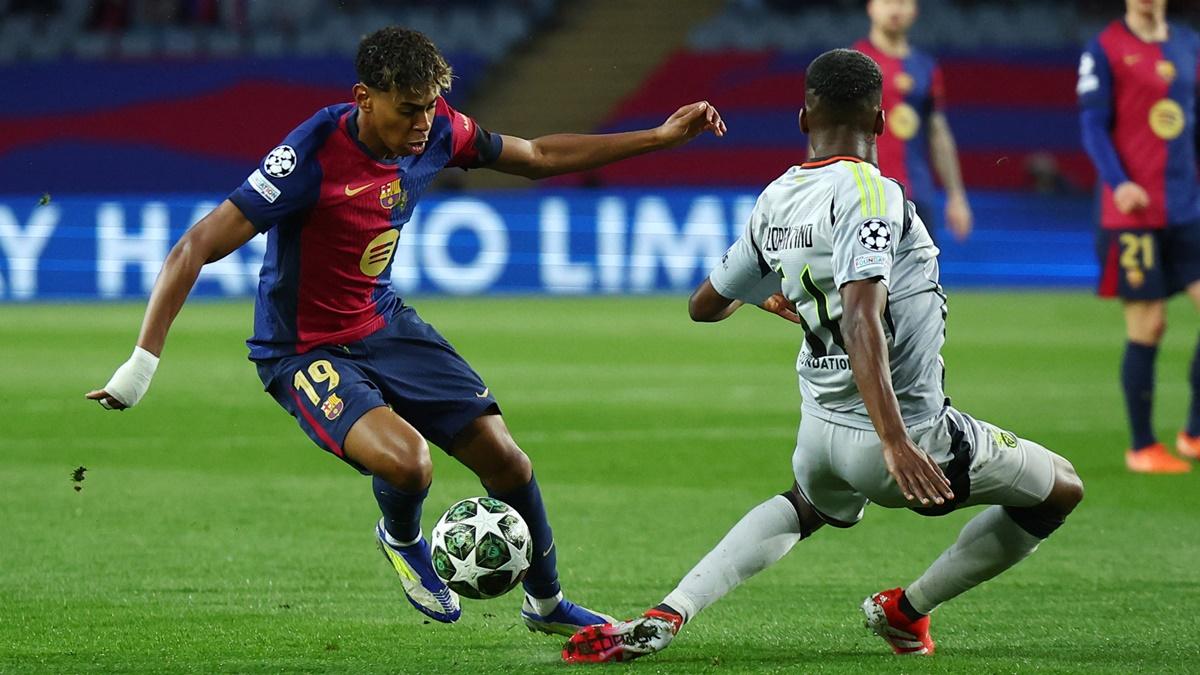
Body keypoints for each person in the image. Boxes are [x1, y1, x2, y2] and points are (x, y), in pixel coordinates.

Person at [86, 26, 726, 635]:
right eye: (409, 109)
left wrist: (659, 138)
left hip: (383, 321)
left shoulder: (440, 128)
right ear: (365, 98)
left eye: (432, 108)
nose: (423, 124)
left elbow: (535, 156)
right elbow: (194, 246)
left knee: (506, 460)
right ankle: (400, 537)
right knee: (410, 464)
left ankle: (547, 601)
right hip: (302, 348)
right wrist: (140, 366)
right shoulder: (310, 154)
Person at [562, 48, 1083, 663]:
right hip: (902, 435)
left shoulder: (777, 196)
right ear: (883, 123)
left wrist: (768, 297)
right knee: (1061, 490)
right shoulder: (872, 193)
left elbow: (705, 304)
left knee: (804, 506)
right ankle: (906, 610)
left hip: (821, 430)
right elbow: (863, 314)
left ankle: (671, 610)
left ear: (802, 120)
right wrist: (895, 441)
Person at [1078, 0, 1200, 474]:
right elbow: (1092, 125)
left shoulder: (1189, 44)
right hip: (1131, 213)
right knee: (1150, 326)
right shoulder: (1105, 48)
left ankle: (1192, 433)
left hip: (1187, 207)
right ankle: (1143, 446)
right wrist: (1118, 181)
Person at [853, 0, 972, 242]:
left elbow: (938, 134)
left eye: (902, 2)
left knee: (922, 278)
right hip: (863, 197)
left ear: (914, 10)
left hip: (917, 196)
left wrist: (956, 196)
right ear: (870, 7)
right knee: (866, 279)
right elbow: (827, 128)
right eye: (886, 2)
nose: (895, 9)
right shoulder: (852, 63)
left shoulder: (925, 67)